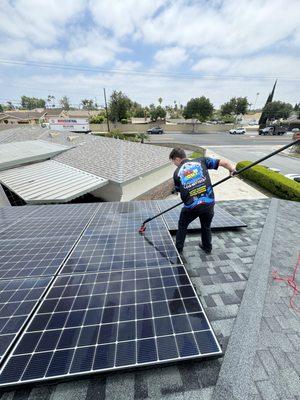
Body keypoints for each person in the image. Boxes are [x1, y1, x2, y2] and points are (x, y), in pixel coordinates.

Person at [169, 147, 236, 254]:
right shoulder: (201, 161)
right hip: (208, 202)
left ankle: (178, 249)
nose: (174, 164)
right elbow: (223, 162)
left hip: (192, 206)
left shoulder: (177, 172)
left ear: (177, 159)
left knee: (182, 225)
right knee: (206, 226)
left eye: (173, 161)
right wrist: (232, 170)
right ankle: (207, 247)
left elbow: (178, 190)